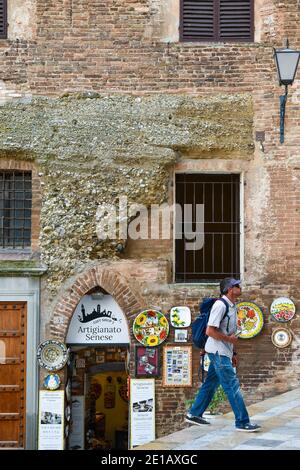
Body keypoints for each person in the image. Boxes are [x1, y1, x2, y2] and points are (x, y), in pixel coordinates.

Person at [186, 278, 261, 432]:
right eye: (236, 285)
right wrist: (229, 340)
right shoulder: (220, 305)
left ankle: (194, 413)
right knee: (232, 386)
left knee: (211, 383)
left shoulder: (233, 306)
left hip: (223, 352)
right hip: (218, 352)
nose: (240, 287)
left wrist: (233, 352)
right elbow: (210, 331)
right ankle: (242, 422)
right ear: (229, 289)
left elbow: (229, 332)